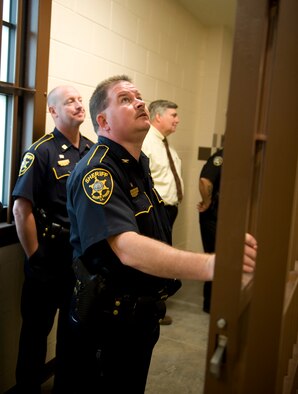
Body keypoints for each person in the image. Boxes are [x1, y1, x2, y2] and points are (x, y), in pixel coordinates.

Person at [65, 75, 257, 393]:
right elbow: (126, 246)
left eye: (139, 96)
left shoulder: (136, 165)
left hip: (139, 317)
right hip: (109, 323)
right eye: (125, 99)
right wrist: (213, 265)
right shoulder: (98, 171)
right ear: (103, 121)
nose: (139, 102)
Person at [12, 85, 94, 393]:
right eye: (69, 101)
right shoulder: (41, 151)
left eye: (80, 100)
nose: (77, 105)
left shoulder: (91, 150)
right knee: (34, 336)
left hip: (78, 262)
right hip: (47, 258)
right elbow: (22, 210)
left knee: (73, 336)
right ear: (53, 111)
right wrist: (35, 258)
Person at [142, 100, 183, 325]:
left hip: (169, 210)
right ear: (158, 117)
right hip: (157, 211)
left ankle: (156, 307)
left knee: (162, 259)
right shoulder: (147, 143)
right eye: (173, 115)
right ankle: (153, 311)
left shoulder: (165, 144)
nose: (177, 120)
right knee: (155, 260)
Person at [198, 148, 224, 313]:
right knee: (215, 257)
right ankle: (210, 304)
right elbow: (205, 181)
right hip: (213, 216)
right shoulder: (220, 157)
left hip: (221, 216)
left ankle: (217, 301)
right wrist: (207, 203)